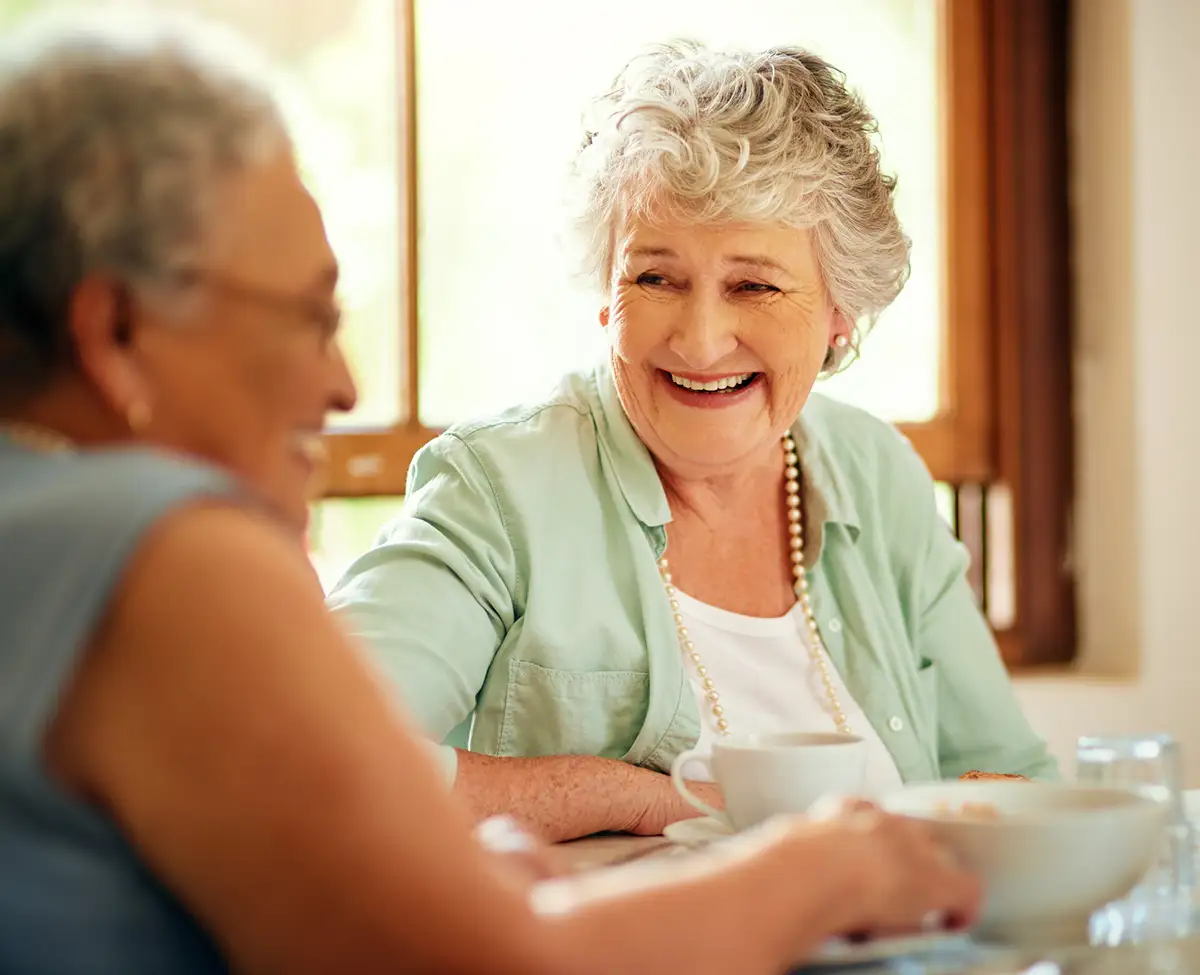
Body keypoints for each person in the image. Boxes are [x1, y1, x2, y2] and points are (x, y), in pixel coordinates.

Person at [0, 13, 982, 975]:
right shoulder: (165, 552)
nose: (343, 383)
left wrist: (462, 884)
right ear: (116, 332)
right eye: (307, 315)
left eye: (755, 286)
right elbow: (498, 963)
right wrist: (818, 870)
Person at [327, 40, 1058, 843]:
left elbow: (1013, 781)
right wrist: (629, 796)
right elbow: (319, 749)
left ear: (838, 314)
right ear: (605, 297)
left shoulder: (876, 475)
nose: (702, 341)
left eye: (754, 285)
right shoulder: (501, 487)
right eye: (655, 278)